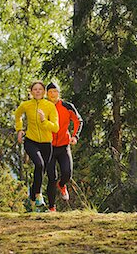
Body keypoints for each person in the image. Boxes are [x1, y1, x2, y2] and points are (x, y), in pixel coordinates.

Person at [15, 81, 59, 210]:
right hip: (31, 141)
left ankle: (32, 198)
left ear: (44, 92)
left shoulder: (50, 106)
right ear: (31, 92)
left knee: (41, 170)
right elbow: (18, 115)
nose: (38, 91)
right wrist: (19, 129)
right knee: (39, 164)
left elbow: (55, 127)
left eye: (40, 89)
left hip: (46, 143)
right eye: (35, 89)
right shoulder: (26, 105)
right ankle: (39, 195)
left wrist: (44, 120)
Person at [46, 82, 83, 212]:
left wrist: (75, 136)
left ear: (58, 93)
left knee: (67, 173)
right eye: (50, 92)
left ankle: (62, 185)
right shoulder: (43, 107)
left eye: (55, 91)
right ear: (46, 94)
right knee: (51, 177)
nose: (52, 94)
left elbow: (78, 121)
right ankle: (52, 208)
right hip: (48, 147)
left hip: (63, 145)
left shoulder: (67, 106)